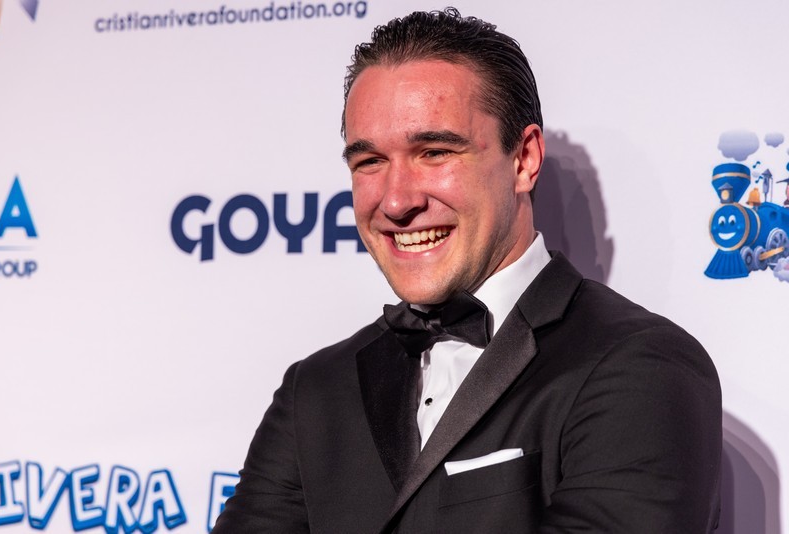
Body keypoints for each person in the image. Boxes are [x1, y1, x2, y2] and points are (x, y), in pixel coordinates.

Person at [213, 8, 721, 533]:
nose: (396, 201)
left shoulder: (638, 366)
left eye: (434, 152)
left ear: (524, 159)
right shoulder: (314, 390)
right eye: (369, 162)